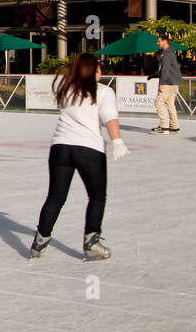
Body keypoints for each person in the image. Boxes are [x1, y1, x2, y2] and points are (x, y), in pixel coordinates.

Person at [29, 53, 128, 261]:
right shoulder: (103, 92)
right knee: (97, 195)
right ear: (94, 70)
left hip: (60, 148)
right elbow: (110, 118)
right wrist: (117, 141)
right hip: (88, 149)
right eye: (99, 67)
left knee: (56, 196)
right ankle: (91, 241)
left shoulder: (67, 89)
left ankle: (40, 240)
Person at [149, 35, 182, 134]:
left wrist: (162, 83)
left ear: (165, 41)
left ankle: (164, 126)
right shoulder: (170, 53)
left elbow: (165, 70)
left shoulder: (167, 54)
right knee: (170, 104)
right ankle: (174, 126)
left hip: (167, 82)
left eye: (159, 41)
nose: (157, 43)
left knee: (158, 103)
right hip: (173, 82)